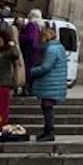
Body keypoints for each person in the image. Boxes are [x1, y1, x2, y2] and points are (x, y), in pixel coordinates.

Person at [29, 23, 68, 151]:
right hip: (53, 83)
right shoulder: (58, 47)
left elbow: (46, 67)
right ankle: (47, 131)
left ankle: (49, 132)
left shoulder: (51, 49)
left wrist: (31, 71)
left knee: (47, 108)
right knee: (46, 107)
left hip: (50, 83)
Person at [18, 9, 44, 88]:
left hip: (29, 50)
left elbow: (29, 38)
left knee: (27, 69)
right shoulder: (40, 27)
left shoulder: (31, 25)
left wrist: (20, 36)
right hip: (36, 51)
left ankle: (26, 87)